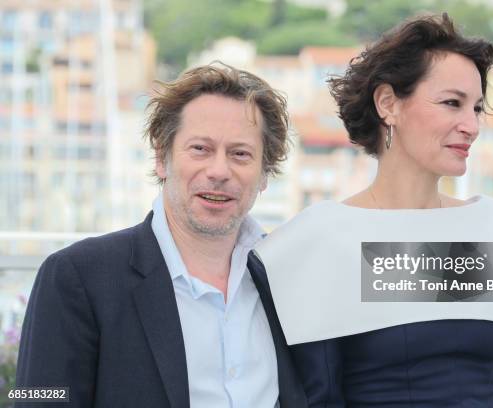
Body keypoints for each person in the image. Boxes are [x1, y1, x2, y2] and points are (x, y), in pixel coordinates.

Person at [255, 14, 493, 407]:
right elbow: (319, 398)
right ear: (388, 103)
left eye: (475, 109)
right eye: (452, 103)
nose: (471, 125)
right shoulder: (317, 241)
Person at [16, 64, 308, 407]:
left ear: (264, 174)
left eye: (240, 154)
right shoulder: (77, 276)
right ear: (161, 157)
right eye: (200, 149)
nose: (218, 171)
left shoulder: (288, 280)